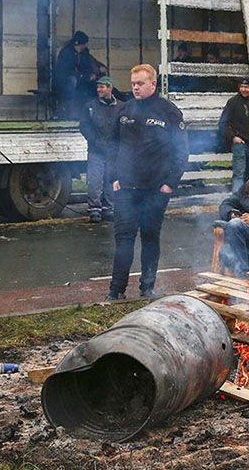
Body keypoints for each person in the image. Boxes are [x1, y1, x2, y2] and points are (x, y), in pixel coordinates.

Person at [106, 64, 188, 300]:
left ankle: (147, 287)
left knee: (150, 238)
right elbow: (111, 147)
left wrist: (169, 184)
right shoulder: (124, 111)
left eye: (140, 84)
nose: (135, 88)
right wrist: (113, 178)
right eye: (133, 84)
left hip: (155, 189)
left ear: (153, 83)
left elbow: (181, 152)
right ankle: (115, 290)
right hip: (126, 189)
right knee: (123, 240)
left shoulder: (168, 112)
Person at [79, 76, 121, 223]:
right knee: (95, 181)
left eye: (102, 87)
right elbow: (84, 125)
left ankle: (109, 210)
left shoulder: (121, 107)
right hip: (96, 150)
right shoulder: (90, 106)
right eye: (98, 87)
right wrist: (93, 140)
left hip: (113, 151)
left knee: (111, 181)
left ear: (110, 88)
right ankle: (94, 210)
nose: (98, 90)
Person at [55, 31, 106, 118]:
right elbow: (65, 71)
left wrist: (97, 70)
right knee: (72, 82)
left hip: (84, 80)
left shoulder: (84, 53)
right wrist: (83, 76)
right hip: (67, 81)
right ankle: (71, 113)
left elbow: (89, 64)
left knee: (96, 85)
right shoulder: (66, 53)